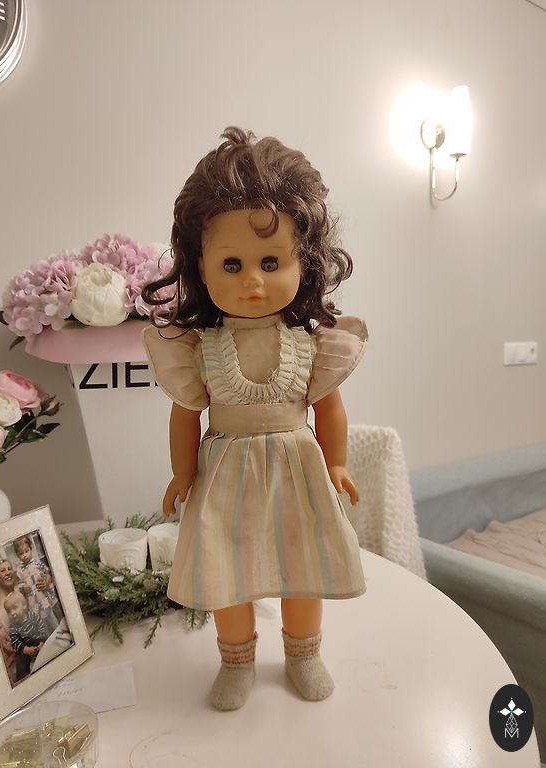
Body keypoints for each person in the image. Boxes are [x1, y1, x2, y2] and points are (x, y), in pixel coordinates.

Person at [142, 127, 368, 711]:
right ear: (201, 266)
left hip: (298, 470)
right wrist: (182, 474)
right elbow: (185, 416)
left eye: (270, 261)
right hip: (225, 476)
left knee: (303, 564)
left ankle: (303, 653)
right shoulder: (198, 347)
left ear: (303, 262)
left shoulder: (313, 343)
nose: (252, 280)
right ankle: (236, 659)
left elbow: (329, 407)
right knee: (227, 572)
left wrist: (337, 463)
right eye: (232, 263)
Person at [12, 534, 62, 633]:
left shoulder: (38, 563)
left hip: (43, 596)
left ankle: (59, 632)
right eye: (21, 553)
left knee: (52, 617)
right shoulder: (19, 571)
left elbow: (48, 574)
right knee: (41, 623)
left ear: (31, 548)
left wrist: (46, 582)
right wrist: (23, 587)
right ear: (17, 555)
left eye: (26, 551)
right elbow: (18, 585)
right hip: (32, 600)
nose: (25, 555)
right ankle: (48, 636)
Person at [3, 591, 48, 682]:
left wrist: (41, 643)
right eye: (9, 611)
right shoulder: (13, 628)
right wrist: (26, 650)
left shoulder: (33, 616)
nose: (12, 613)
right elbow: (15, 643)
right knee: (22, 664)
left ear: (24, 606)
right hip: (26, 650)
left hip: (40, 643)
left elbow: (42, 628)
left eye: (15, 608)